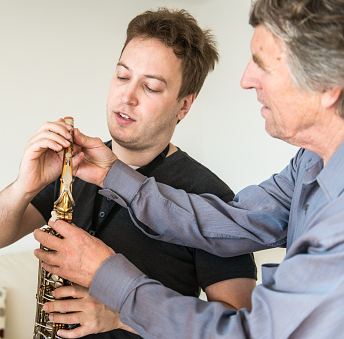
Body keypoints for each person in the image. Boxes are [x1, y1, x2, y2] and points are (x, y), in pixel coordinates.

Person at [33, 0, 344, 337]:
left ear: (327, 88)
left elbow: (247, 332)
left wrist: (110, 280)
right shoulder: (310, 161)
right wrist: (113, 175)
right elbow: (231, 223)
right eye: (123, 75)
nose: (245, 80)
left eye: (263, 65)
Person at [0, 8, 258, 339]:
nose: (127, 96)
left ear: (184, 105)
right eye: (123, 76)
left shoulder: (211, 198)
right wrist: (25, 185)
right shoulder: (71, 163)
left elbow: (239, 326)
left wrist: (122, 314)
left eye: (151, 86)